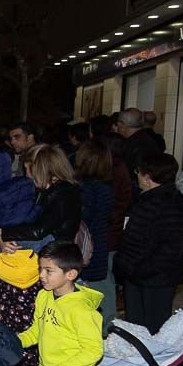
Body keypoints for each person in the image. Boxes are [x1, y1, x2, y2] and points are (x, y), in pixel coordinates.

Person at [0, 145, 83, 366]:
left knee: (29, 348)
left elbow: (39, 229)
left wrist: (5, 234)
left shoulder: (65, 194)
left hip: (37, 276)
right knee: (15, 339)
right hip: (26, 273)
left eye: (31, 168)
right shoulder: (49, 192)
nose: (27, 173)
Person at [114, 153, 183, 334]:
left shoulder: (170, 203)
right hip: (138, 273)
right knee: (135, 326)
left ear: (148, 178)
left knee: (153, 328)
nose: (137, 177)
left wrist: (139, 269)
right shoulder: (149, 198)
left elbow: (170, 247)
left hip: (155, 278)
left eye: (139, 173)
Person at [74, 140, 115, 334]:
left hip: (86, 245)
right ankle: (105, 328)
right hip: (100, 242)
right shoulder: (106, 188)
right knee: (103, 287)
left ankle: (101, 330)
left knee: (94, 289)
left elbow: (83, 218)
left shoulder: (84, 189)